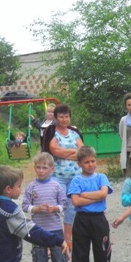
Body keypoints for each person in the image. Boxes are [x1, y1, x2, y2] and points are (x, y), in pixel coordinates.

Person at [67, 145, 117, 262]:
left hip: (99, 219)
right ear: (79, 164)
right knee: (80, 252)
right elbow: (75, 201)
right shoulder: (76, 180)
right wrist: (91, 197)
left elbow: (103, 194)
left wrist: (84, 195)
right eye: (87, 162)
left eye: (93, 161)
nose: (90, 164)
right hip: (81, 219)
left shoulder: (102, 177)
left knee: (102, 250)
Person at [21, 153, 71, 262]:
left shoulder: (56, 186)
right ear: (34, 168)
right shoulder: (32, 186)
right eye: (38, 167)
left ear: (52, 169)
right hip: (37, 230)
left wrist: (55, 209)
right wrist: (35, 209)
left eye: (45, 167)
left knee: (59, 258)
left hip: (55, 228)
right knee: (39, 259)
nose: (41, 170)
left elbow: (64, 204)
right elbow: (25, 205)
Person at [43, 103, 84, 248]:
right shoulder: (52, 132)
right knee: (57, 204)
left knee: (72, 207)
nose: (64, 119)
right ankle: (51, 238)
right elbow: (54, 150)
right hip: (58, 176)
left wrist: (65, 153)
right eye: (61, 116)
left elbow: (82, 151)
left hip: (75, 176)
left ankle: (68, 239)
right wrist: (72, 153)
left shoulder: (74, 133)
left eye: (67, 116)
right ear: (56, 117)